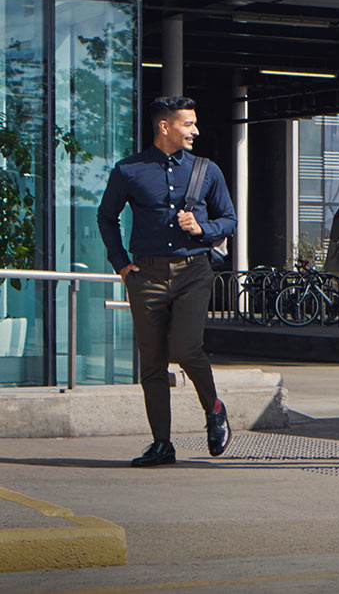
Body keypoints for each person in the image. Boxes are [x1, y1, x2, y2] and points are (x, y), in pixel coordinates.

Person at [96, 95, 236, 467]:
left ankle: (214, 408)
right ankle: (162, 444)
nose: (195, 130)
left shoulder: (208, 170)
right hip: (146, 275)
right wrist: (121, 265)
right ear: (165, 126)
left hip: (193, 271)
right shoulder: (129, 170)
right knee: (153, 362)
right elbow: (106, 217)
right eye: (188, 124)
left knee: (187, 348)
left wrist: (203, 227)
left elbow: (230, 220)